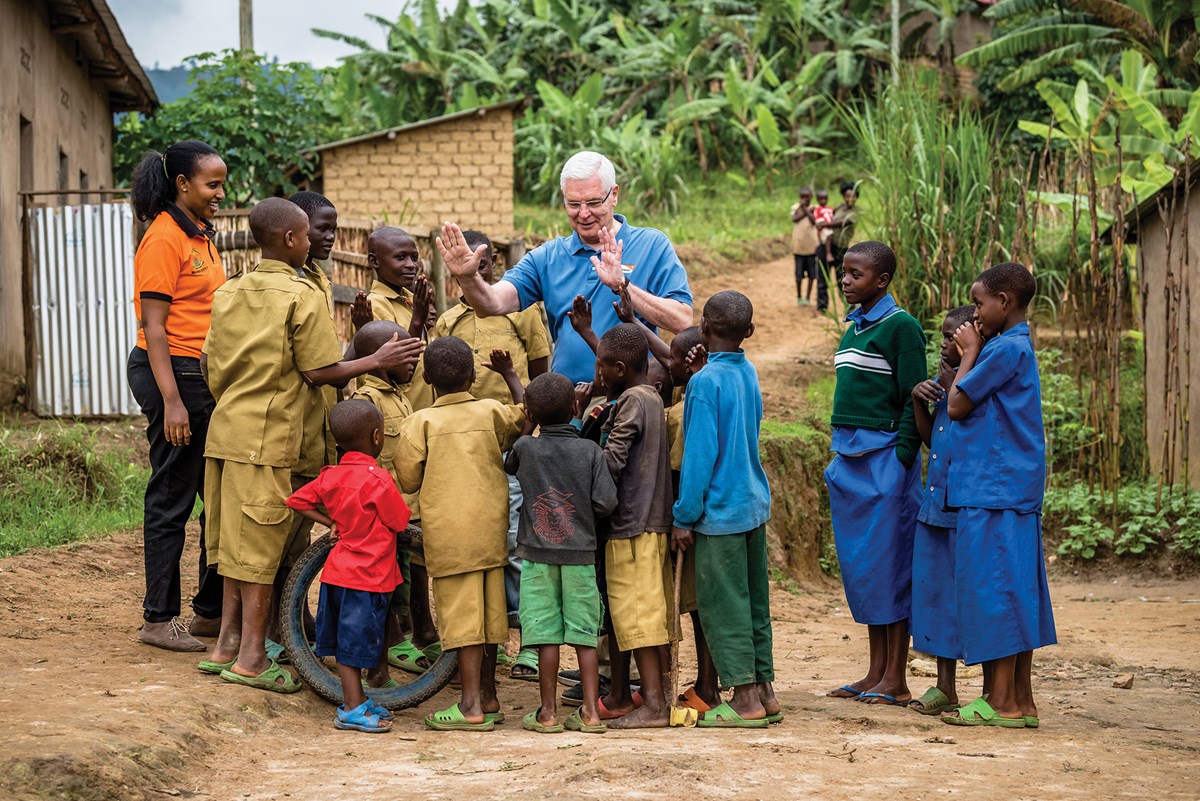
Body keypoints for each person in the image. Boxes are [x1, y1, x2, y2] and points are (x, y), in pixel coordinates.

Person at [198, 198, 423, 692]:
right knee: (259, 550)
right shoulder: (299, 295)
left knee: (233, 544)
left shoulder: (229, 291)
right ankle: (253, 658)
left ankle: (226, 644)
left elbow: (209, 367)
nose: (314, 242)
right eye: (306, 235)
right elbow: (319, 370)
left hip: (227, 433)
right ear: (289, 240)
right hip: (269, 437)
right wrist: (377, 357)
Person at [435, 151, 692, 386]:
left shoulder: (651, 245)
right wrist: (468, 278)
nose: (583, 214)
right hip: (567, 405)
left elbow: (682, 320)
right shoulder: (547, 257)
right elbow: (491, 303)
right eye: (573, 204)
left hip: (633, 399)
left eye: (593, 203)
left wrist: (621, 286)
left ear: (614, 194)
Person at [942, 263, 1057, 728]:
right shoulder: (1014, 346)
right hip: (1007, 486)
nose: (974, 313)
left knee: (995, 590)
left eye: (980, 302)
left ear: (1004, 302)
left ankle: (1004, 701)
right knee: (1013, 586)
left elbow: (956, 403)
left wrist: (967, 353)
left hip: (995, 488)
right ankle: (1017, 699)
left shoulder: (1002, 349)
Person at [434, 229, 551, 680]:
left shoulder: (522, 314)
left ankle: (528, 643)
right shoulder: (448, 322)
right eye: (467, 269)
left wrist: (531, 424)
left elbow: (540, 373)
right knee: (483, 540)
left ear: (494, 264)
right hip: (467, 445)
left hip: (515, 438)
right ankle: (493, 638)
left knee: (518, 542)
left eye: (483, 265)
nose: (476, 275)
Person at [127, 139, 228, 652]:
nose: (220, 193)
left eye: (222, 183)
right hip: (171, 373)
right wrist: (171, 400)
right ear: (182, 184)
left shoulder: (201, 235)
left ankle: (210, 612)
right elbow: (155, 325)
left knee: (221, 493)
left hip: (197, 373)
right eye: (212, 184)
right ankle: (158, 619)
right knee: (173, 495)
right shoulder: (164, 238)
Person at [395, 337, 525, 731]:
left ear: (428, 379)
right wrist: (509, 374)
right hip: (491, 531)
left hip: (451, 537)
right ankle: (488, 696)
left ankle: (469, 705)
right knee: (488, 618)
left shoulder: (420, 422)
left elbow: (408, 478)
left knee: (462, 621)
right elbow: (524, 416)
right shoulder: (490, 410)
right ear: (473, 376)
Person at [823, 240, 926, 707]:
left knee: (891, 571)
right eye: (843, 273)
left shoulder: (902, 328)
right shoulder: (852, 330)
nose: (845, 280)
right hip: (849, 464)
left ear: (881, 280)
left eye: (855, 274)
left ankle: (897, 679)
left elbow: (914, 397)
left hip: (886, 463)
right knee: (865, 572)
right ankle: (874, 672)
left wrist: (903, 457)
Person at [671, 291, 777, 728]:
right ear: (748, 332)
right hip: (752, 502)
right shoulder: (746, 371)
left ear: (703, 328)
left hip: (719, 513)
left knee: (724, 604)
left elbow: (699, 457)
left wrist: (683, 515)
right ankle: (765, 690)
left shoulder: (703, 384)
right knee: (754, 602)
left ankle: (746, 698)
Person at [286, 399, 411, 734]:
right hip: (368, 578)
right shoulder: (379, 480)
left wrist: (330, 521)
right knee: (355, 644)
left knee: (346, 641)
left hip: (338, 574)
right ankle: (352, 708)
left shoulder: (331, 476)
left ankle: (358, 702)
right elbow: (400, 521)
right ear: (376, 437)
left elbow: (296, 500)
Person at [505, 372, 618, 734]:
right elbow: (606, 502)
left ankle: (549, 713)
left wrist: (527, 425)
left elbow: (508, 464)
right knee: (585, 634)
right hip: (581, 557)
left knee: (545, 636)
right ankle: (590, 712)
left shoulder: (526, 448)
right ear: (575, 406)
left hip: (536, 559)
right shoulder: (590, 450)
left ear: (531, 413)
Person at [352, 226, 440, 667]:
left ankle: (417, 627)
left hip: (412, 412)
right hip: (391, 424)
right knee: (394, 546)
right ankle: (403, 631)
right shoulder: (379, 304)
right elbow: (390, 352)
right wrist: (419, 320)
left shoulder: (410, 296)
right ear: (374, 263)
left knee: (412, 539)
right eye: (399, 258)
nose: (410, 264)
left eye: (413, 257)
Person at [593, 323, 674, 729]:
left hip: (630, 525)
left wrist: (584, 443)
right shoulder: (652, 398)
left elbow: (612, 463)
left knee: (636, 618)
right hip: (652, 522)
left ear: (620, 368)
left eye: (602, 367)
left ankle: (656, 706)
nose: (598, 375)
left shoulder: (630, 401)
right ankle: (655, 698)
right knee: (648, 615)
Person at [908, 304, 974, 716]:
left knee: (966, 594)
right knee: (935, 595)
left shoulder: (975, 384)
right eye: (944, 336)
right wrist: (920, 400)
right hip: (935, 504)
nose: (946, 343)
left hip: (966, 507)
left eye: (955, 336)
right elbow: (932, 439)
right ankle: (944, 685)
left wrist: (953, 388)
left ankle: (989, 687)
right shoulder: (939, 382)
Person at [347, 320, 420, 689]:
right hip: (375, 517)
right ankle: (375, 670)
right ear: (378, 358)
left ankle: (390, 649)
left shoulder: (400, 396)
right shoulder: (367, 401)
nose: (413, 360)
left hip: (399, 512)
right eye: (404, 353)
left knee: (398, 588)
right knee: (378, 593)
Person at [790, 187, 821, 309]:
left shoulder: (815, 208)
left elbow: (814, 221)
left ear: (811, 197)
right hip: (799, 247)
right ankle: (799, 296)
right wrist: (804, 208)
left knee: (812, 275)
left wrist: (807, 210)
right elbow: (795, 218)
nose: (805, 199)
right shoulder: (795, 207)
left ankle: (807, 297)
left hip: (812, 248)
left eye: (807, 196)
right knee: (798, 275)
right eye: (802, 197)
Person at [820, 182, 859, 277]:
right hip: (829, 244)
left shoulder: (856, 211)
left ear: (856, 197)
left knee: (841, 277)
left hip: (841, 248)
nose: (850, 199)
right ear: (844, 196)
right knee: (823, 276)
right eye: (847, 196)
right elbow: (829, 215)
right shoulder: (839, 207)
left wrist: (824, 224)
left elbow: (843, 221)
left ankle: (840, 292)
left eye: (853, 196)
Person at [814, 189, 834, 313]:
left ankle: (849, 307)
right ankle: (822, 306)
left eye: (825, 198)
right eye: (821, 199)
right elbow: (817, 224)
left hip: (836, 245)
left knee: (841, 278)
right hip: (823, 243)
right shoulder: (817, 210)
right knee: (822, 278)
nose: (824, 201)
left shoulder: (832, 209)